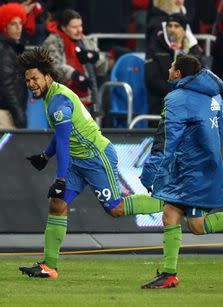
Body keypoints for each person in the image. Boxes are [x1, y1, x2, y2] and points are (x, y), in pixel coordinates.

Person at [17, 47, 164, 278]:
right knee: (57, 203)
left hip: (97, 157)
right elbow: (63, 136)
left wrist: (61, 179)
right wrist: (45, 156)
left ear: (47, 75)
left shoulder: (58, 102)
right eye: (27, 80)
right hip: (78, 159)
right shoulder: (51, 96)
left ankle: (170, 203)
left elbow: (64, 142)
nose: (31, 83)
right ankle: (49, 266)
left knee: (115, 208)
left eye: (34, 78)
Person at [140, 54, 223, 289]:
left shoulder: (176, 98)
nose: (169, 69)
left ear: (179, 73)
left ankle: (170, 274)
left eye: (172, 66)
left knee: (174, 214)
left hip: (190, 170)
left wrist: (158, 174)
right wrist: (208, 150)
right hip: (205, 165)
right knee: (192, 224)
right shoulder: (215, 95)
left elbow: (170, 140)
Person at [42, 9, 108, 112]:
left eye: (80, 26)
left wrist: (97, 58)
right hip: (61, 101)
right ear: (64, 28)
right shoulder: (52, 42)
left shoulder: (86, 41)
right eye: (74, 27)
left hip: (88, 100)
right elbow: (52, 66)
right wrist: (73, 74)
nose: (79, 30)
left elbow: (102, 70)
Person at [145, 13, 202, 116]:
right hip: (161, 103)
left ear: (184, 30)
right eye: (169, 26)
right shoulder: (155, 48)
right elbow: (152, 78)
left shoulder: (194, 51)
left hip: (190, 103)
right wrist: (175, 94)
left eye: (176, 26)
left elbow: (200, 76)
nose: (172, 29)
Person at [0, 2, 28, 129]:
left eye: (20, 23)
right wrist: (18, 114)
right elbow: (6, 85)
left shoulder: (9, 49)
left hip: (6, 110)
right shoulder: (3, 50)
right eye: (13, 24)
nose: (19, 28)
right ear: (4, 27)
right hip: (3, 112)